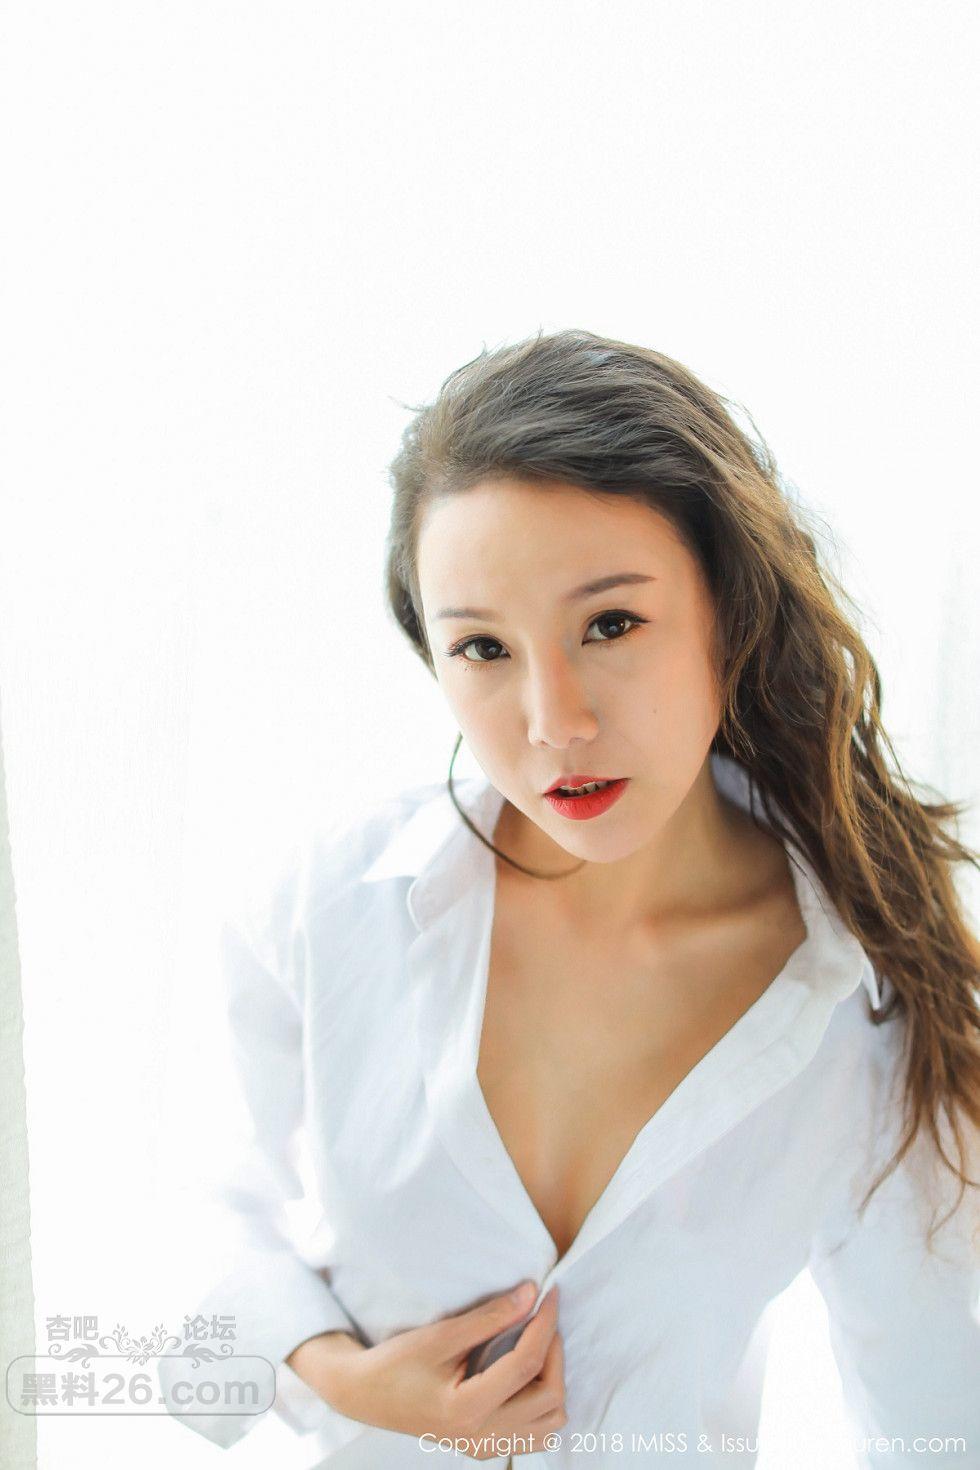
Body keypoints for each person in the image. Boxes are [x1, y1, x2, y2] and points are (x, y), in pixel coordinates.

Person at [159, 329, 980, 1468]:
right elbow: (205, 1219)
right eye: (482, 649)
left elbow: (934, 1421)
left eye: (610, 625)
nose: (555, 723)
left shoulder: (862, 1007)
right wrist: (347, 1379)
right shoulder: (332, 907)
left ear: (729, 612)